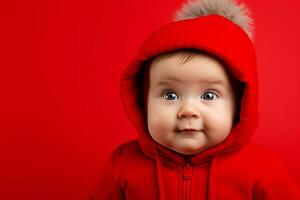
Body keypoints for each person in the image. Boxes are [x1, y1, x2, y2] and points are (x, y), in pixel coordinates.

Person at [90, 0, 300, 199]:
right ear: (143, 101)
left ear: (240, 105)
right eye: (170, 95)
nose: (188, 110)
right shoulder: (122, 165)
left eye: (209, 95)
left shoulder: (263, 169)